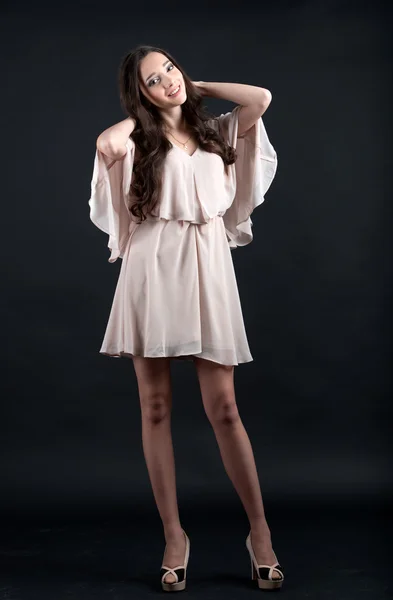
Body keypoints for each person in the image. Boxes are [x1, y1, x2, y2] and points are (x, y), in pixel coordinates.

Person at [88, 45, 283, 592]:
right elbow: (107, 143)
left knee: (224, 407)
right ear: (141, 93)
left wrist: (193, 88)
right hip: (152, 267)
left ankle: (260, 534)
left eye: (170, 68)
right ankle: (174, 536)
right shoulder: (136, 138)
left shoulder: (219, 128)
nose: (168, 81)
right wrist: (146, 112)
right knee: (155, 407)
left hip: (208, 266)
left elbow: (260, 98)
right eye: (154, 79)